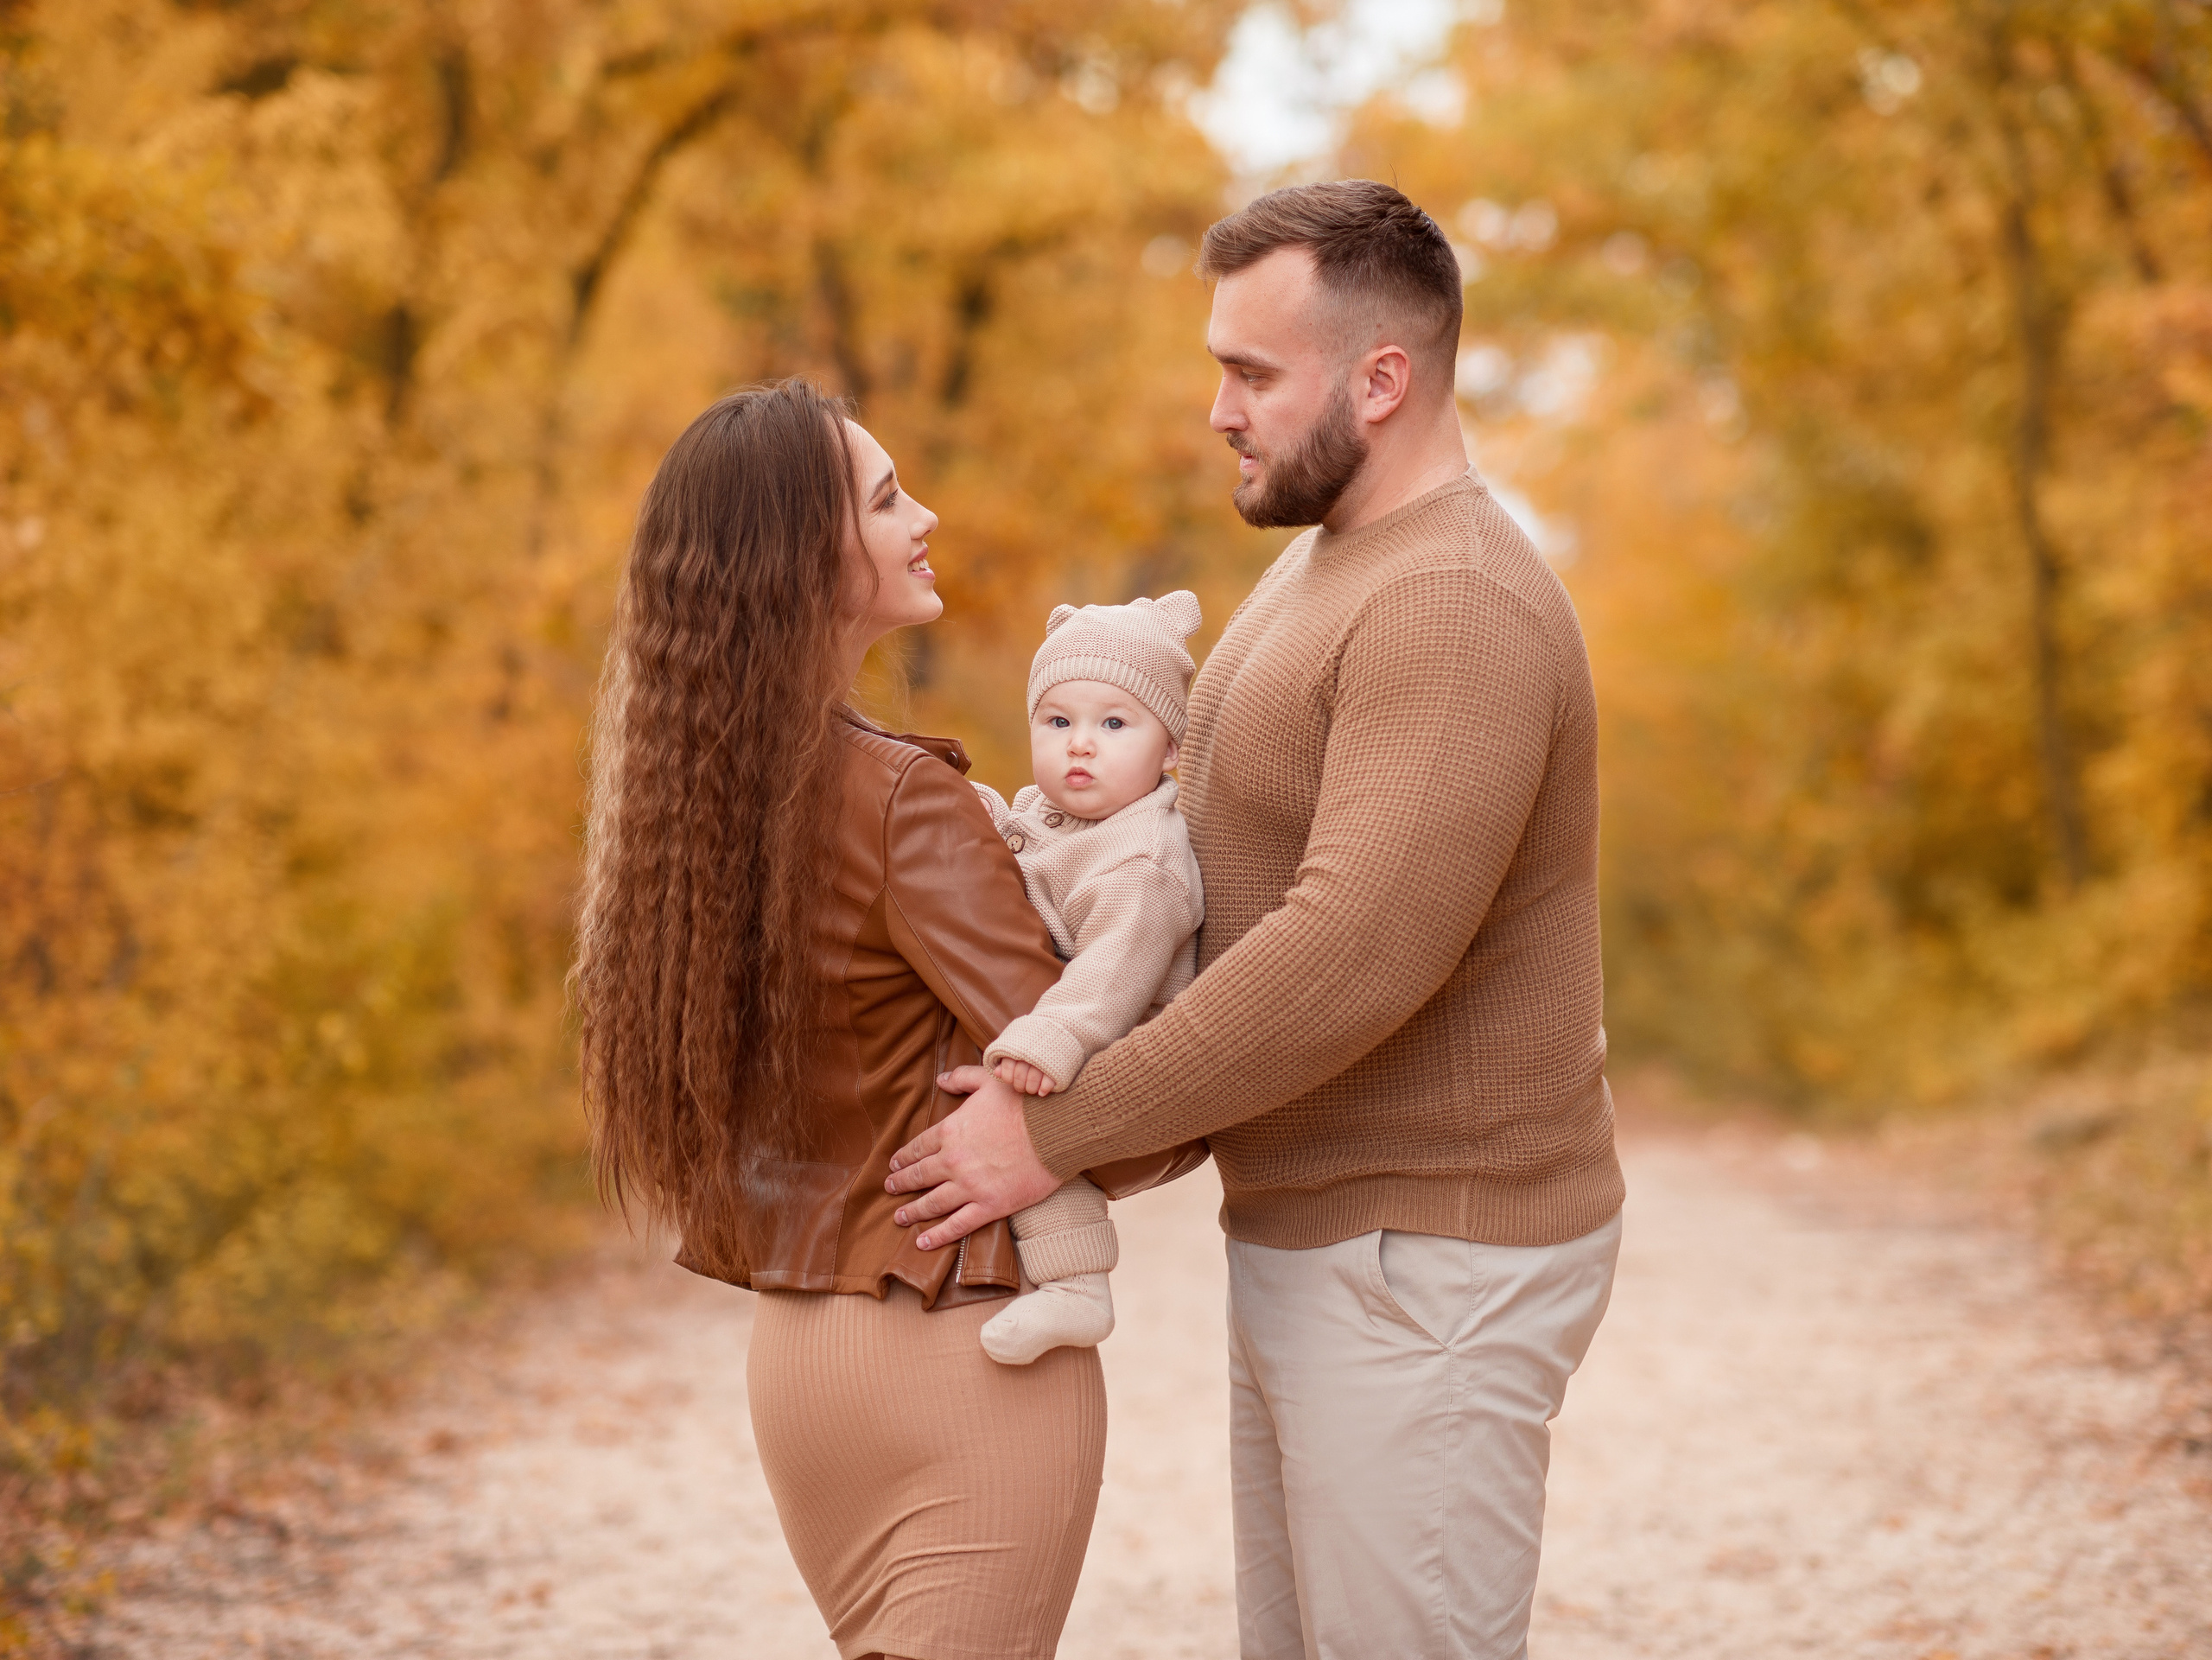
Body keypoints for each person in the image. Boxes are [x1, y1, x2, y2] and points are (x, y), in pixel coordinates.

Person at [886, 180, 1627, 1658]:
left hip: (1426, 1256)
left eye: (1250, 373)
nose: (1218, 408)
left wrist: (1051, 1130)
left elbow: (1351, 955)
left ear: (1382, 379)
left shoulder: (1452, 602)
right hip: (1335, 1238)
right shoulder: (1331, 563)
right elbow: (1199, 881)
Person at [569, 380, 1195, 1660]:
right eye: (887, 496)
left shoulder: (694, 800)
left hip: (800, 1359)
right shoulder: (906, 800)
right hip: (957, 1352)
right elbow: (1095, 1102)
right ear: (811, 553)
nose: (927, 515)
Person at [968, 591, 1207, 1365]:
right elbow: (1027, 847)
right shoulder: (1059, 809)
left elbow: (1117, 963)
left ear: (1170, 747)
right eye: (1058, 721)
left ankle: (1077, 1286)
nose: (1081, 745)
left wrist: (1057, 1031)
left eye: (1113, 724)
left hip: (1119, 1029)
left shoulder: (1146, 857)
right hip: (1068, 1000)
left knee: (1035, 1125)